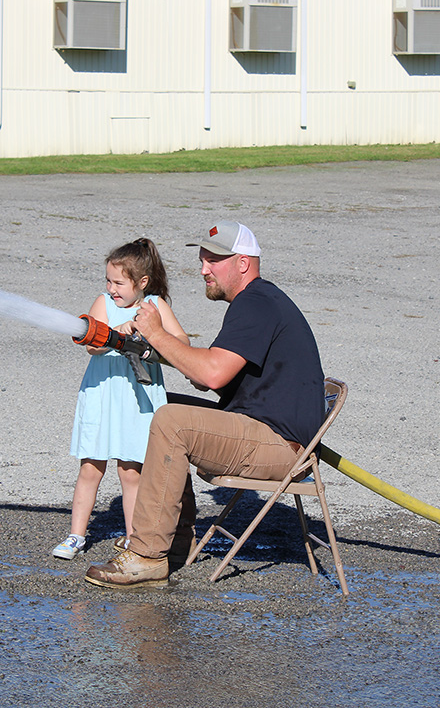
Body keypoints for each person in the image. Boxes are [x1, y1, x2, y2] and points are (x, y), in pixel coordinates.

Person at [85, 220, 325, 588]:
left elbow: (212, 375)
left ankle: (148, 555)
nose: (203, 270)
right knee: (157, 405)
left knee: (172, 422)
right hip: (259, 429)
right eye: (202, 260)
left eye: (214, 261)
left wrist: (156, 333)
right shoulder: (256, 302)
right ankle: (175, 540)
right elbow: (207, 373)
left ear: (242, 263)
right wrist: (157, 346)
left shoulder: (257, 304)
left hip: (281, 446)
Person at [53, 238, 189, 560]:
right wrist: (118, 330)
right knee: (90, 467)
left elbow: (182, 341)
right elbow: (92, 346)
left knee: (131, 472)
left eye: (119, 282)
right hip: (103, 392)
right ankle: (76, 536)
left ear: (142, 283)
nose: (112, 288)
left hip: (137, 397)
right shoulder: (103, 302)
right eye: (108, 280)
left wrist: (152, 334)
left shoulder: (154, 306)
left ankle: (132, 539)